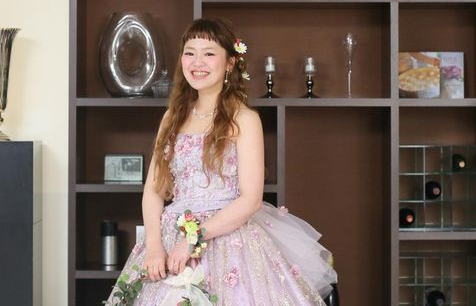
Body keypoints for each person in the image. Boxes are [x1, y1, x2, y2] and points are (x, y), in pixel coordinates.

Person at [106, 18, 336, 305]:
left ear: (229, 63)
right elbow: (154, 188)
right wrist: (154, 245)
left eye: (209, 53)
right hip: (169, 238)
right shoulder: (171, 118)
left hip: (228, 237)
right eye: (190, 53)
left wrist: (193, 240)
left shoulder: (244, 119)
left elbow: (250, 200)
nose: (197, 62)